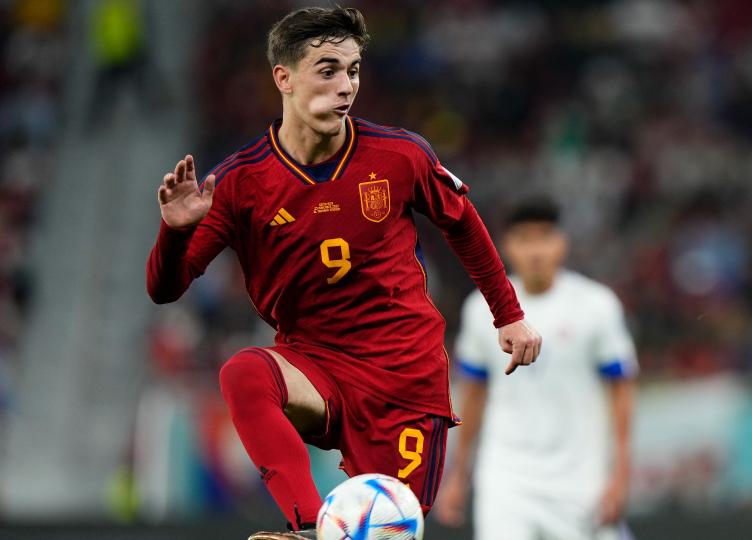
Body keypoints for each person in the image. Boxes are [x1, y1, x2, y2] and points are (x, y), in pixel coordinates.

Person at [145, 7, 541, 539]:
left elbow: (463, 223)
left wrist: (508, 315)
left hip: (403, 375)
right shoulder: (240, 183)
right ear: (283, 78)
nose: (346, 85)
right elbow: (164, 288)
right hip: (315, 364)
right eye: (328, 70)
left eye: (353, 70)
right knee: (244, 372)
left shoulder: (399, 155)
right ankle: (309, 527)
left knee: (382, 531)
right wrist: (174, 232)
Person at [435, 197, 637, 540]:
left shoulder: (596, 305)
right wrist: (458, 473)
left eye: (544, 237)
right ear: (506, 246)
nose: (535, 250)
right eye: (524, 239)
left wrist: (620, 476)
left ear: (562, 243)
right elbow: (473, 395)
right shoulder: (481, 309)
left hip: (580, 482)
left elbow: (621, 391)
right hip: (506, 480)